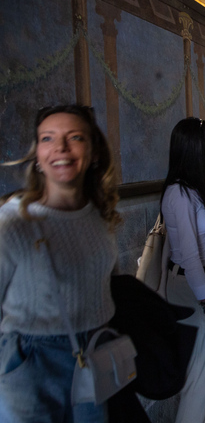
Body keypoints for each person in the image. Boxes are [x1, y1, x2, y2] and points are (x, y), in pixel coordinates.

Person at [0, 105, 121, 421]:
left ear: (93, 152)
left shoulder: (100, 214)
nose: (61, 148)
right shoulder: (14, 221)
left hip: (96, 350)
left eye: (75, 137)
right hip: (32, 360)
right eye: (47, 138)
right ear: (38, 155)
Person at [160, 117, 205, 423]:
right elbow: (189, 257)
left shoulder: (196, 188)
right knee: (199, 377)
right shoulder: (178, 193)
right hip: (191, 289)